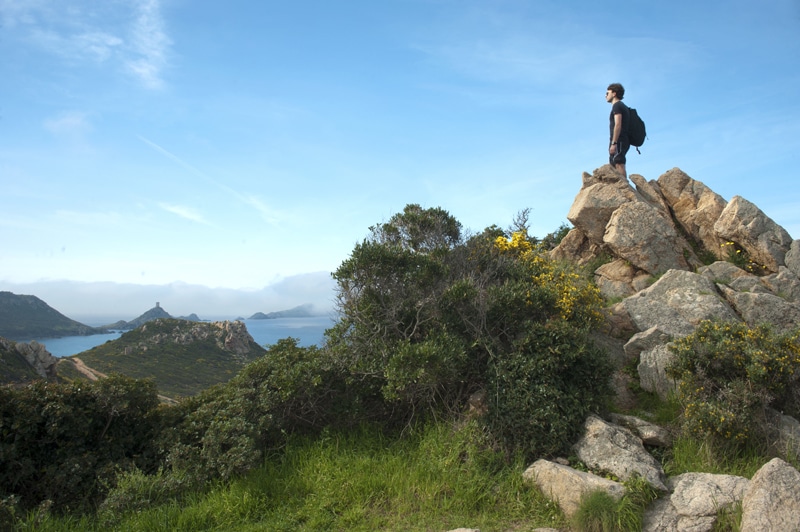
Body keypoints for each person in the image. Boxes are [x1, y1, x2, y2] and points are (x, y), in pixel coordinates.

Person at [606, 83, 630, 179]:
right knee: (614, 163)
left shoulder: (617, 106)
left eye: (607, 93)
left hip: (619, 140)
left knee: (619, 163)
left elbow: (618, 124)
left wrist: (614, 143)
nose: (605, 95)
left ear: (614, 93)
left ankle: (624, 187)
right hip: (621, 140)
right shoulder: (622, 106)